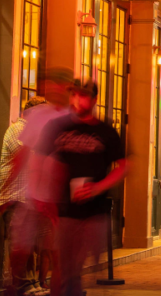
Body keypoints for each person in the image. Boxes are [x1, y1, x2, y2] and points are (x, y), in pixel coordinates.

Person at [45, 80, 127, 296]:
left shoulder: (106, 131)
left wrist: (98, 187)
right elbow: (43, 162)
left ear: (93, 100)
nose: (77, 100)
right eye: (74, 95)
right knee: (64, 267)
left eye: (83, 95)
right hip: (64, 210)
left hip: (94, 212)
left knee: (75, 266)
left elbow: (124, 166)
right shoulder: (59, 127)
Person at [9, 69, 73, 296]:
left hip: (59, 196)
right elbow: (23, 152)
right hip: (33, 194)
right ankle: (15, 285)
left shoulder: (73, 118)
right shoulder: (38, 115)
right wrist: (9, 188)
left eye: (59, 84)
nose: (54, 88)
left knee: (56, 252)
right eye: (50, 84)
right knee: (20, 247)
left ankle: (54, 288)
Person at [0, 97, 47, 296]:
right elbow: (29, 156)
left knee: (29, 242)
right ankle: (22, 284)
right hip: (14, 196)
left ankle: (31, 282)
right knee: (20, 242)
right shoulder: (18, 130)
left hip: (26, 197)